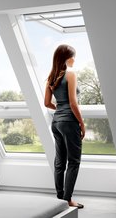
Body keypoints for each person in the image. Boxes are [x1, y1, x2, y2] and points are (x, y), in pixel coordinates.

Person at [44, 44, 85, 209]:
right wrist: (82, 123)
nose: (74, 60)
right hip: (69, 122)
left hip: (56, 122)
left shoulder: (51, 78)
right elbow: (73, 103)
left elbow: (47, 103)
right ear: (66, 58)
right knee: (73, 162)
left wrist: (59, 109)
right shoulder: (71, 74)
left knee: (60, 162)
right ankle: (68, 200)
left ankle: (60, 198)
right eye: (73, 56)